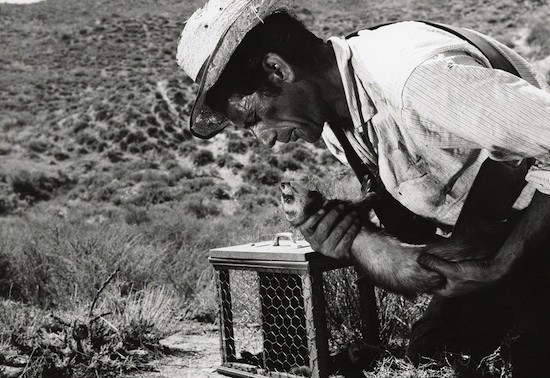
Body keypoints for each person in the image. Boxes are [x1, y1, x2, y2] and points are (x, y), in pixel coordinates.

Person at [176, 0, 550, 375]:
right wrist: (355, 233)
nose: (266, 140)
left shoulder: (417, 79)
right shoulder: (338, 123)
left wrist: (504, 263)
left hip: (532, 238)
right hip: (496, 243)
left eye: (255, 117)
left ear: (278, 70)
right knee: (434, 350)